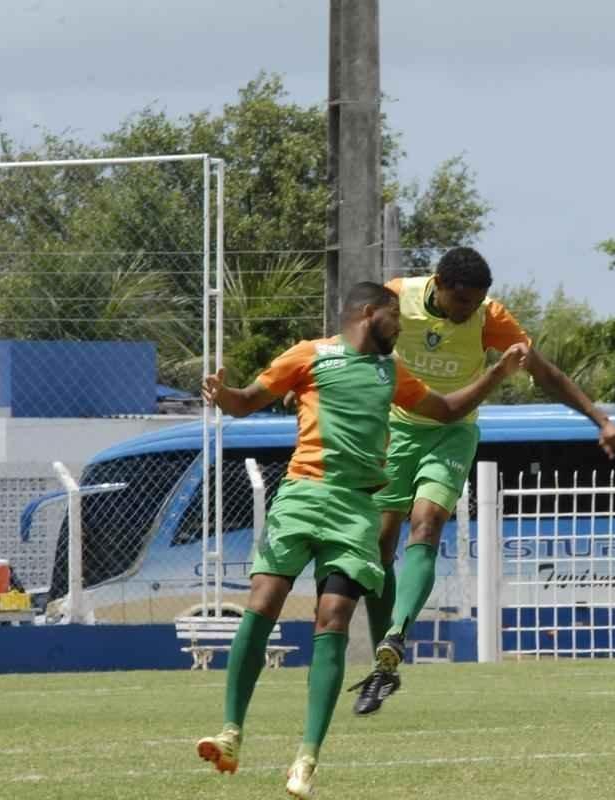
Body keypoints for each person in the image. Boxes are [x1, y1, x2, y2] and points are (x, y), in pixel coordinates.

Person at [194, 281, 528, 799]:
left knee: (332, 621)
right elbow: (246, 403)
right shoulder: (309, 356)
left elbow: (446, 410)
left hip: (355, 510)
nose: (402, 327)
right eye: (396, 318)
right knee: (262, 602)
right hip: (301, 496)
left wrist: (496, 374)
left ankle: (307, 758)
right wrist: (222, 395)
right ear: (370, 314)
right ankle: (231, 733)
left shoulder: (391, 372)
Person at [348, 246, 615, 715]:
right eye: (461, 304)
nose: (467, 314)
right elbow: (353, 351)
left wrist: (600, 418)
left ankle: (395, 638)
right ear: (437, 283)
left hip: (453, 432)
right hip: (395, 429)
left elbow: (548, 374)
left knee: (429, 522)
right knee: (380, 546)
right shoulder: (397, 298)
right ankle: (385, 665)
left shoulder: (490, 318)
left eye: (474, 305)